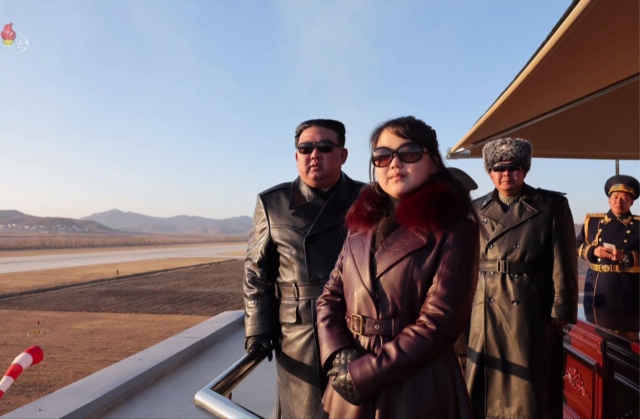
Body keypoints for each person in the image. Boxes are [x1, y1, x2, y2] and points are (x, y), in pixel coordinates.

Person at [316, 116, 479, 418]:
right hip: (348, 377)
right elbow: (330, 296)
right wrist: (337, 357)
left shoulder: (454, 227)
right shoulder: (361, 222)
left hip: (416, 386)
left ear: (433, 162)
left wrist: (363, 374)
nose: (394, 164)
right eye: (382, 156)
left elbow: (438, 324)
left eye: (409, 153)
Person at [243, 119, 364, 419]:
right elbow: (256, 272)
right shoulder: (273, 203)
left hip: (356, 326)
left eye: (325, 147)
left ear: (343, 155)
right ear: (296, 155)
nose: (314, 154)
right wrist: (258, 329)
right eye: (305, 148)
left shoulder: (368, 199)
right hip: (298, 334)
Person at [466, 137, 579, 419]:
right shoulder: (474, 209)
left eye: (514, 167)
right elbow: (465, 264)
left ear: (525, 170)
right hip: (483, 307)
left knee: (529, 390)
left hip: (530, 307)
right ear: (489, 173)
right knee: (481, 388)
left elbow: (564, 261)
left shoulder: (551, 206)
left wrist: (561, 313)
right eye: (499, 168)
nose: (507, 174)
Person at [577, 175, 639, 331]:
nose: (619, 201)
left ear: (632, 202)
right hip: (600, 286)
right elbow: (576, 245)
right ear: (609, 200)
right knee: (599, 336)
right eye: (616, 197)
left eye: (625, 198)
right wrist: (593, 250)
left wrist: (625, 257)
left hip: (630, 288)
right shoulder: (593, 222)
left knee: (628, 339)